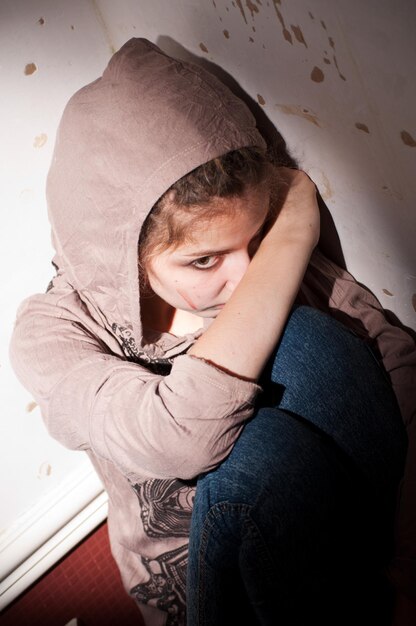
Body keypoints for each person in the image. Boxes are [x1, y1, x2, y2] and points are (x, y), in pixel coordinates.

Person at [9, 38, 416, 626]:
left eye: (257, 242)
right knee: (265, 452)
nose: (247, 275)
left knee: (308, 339)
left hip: (331, 533)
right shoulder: (51, 333)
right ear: (123, 254)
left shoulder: (242, 250)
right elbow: (182, 440)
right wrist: (296, 223)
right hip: (205, 578)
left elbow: (398, 364)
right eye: (204, 261)